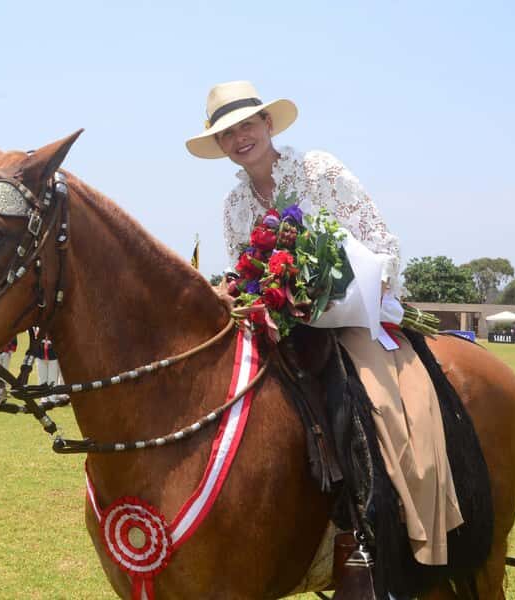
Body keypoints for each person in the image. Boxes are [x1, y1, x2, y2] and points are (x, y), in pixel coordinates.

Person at [186, 81, 462, 567]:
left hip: (353, 317)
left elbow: (381, 243)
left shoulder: (320, 171)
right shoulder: (233, 205)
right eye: (227, 133)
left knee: (386, 407)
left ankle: (385, 530)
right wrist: (234, 291)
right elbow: (245, 270)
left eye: (247, 125)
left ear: (267, 124)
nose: (239, 138)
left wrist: (334, 295)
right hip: (280, 326)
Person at [29, 330, 61, 400]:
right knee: (42, 378)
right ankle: (43, 398)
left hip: (53, 356)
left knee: (52, 378)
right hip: (40, 355)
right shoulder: (38, 328)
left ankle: (52, 397)